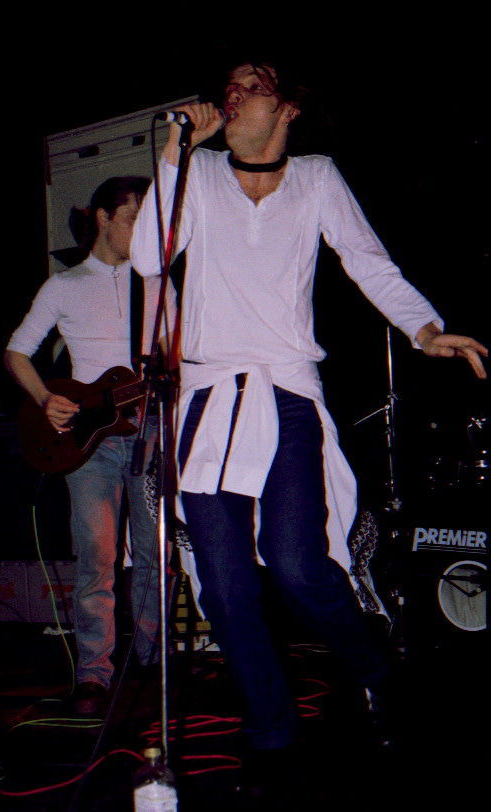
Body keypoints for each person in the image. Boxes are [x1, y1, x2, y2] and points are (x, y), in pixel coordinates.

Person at [130, 58, 488, 790]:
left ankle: (375, 670)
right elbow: (147, 257)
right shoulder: (198, 174)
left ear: (288, 108)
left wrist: (425, 329)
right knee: (224, 586)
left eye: (251, 86)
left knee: (297, 563)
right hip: (207, 400)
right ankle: (272, 734)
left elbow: (368, 262)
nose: (233, 95)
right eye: (228, 87)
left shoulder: (317, 177)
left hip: (287, 395)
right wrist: (174, 152)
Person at [5, 176, 178, 716]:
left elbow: (176, 357)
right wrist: (45, 400)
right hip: (88, 442)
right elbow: (16, 352)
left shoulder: (157, 283)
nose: (143, 231)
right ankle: (94, 675)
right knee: (96, 559)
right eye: (133, 218)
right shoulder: (64, 285)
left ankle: (152, 663)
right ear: (103, 218)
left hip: (149, 431)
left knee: (155, 555)